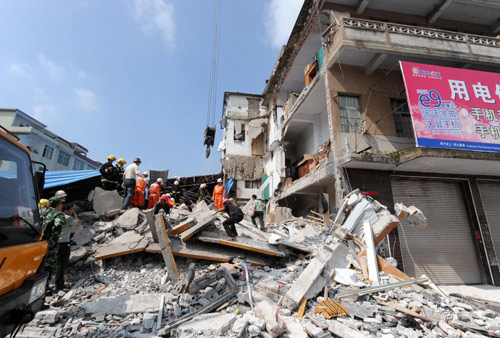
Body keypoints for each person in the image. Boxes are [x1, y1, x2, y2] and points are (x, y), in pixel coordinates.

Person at [41, 196, 66, 289]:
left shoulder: (40, 213)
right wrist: (54, 239)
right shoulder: (57, 214)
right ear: (58, 204)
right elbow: (58, 224)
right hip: (48, 245)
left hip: (36, 244)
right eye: (61, 204)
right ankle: (45, 289)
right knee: (48, 267)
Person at [55, 203, 80, 291]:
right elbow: (77, 224)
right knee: (61, 265)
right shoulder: (68, 218)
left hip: (56, 242)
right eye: (71, 210)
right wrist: (74, 215)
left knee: (58, 264)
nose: (72, 211)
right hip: (64, 243)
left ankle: (58, 282)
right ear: (66, 211)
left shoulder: (58, 216)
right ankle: (59, 286)